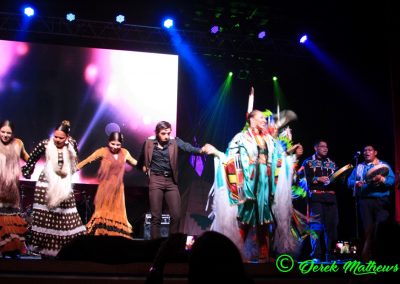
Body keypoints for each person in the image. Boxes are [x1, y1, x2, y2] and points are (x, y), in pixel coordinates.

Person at [207, 110, 303, 261]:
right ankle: (235, 254)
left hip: (265, 186)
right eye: (261, 118)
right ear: (251, 120)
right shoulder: (241, 138)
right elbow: (230, 158)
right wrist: (217, 153)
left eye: (265, 119)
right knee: (245, 220)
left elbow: (279, 160)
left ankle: (264, 254)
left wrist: (292, 155)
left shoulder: (270, 140)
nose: (265, 121)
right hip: (249, 185)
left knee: (263, 220)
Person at [22, 120, 86, 257]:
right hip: (46, 184)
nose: (57, 140)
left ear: (67, 137)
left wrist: (70, 147)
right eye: (55, 136)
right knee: (46, 217)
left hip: (63, 184)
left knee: (66, 216)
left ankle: (64, 250)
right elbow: (32, 158)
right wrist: (27, 171)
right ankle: (45, 251)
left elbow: (75, 158)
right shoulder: (45, 144)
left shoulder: (72, 144)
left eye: (61, 138)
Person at [137, 121, 211, 239]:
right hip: (156, 180)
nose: (166, 136)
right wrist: (144, 168)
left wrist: (200, 150)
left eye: (168, 133)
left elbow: (187, 147)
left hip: (171, 181)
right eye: (163, 133)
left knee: (176, 215)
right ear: (157, 133)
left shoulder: (174, 142)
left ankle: (171, 244)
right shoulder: (148, 143)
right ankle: (155, 246)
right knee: (156, 216)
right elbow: (141, 160)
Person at [76, 131, 137, 239]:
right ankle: (101, 236)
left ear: (121, 144)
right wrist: (75, 168)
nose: (115, 147)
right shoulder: (102, 151)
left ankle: (115, 239)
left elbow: (135, 162)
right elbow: (88, 160)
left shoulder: (125, 152)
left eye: (118, 144)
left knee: (118, 213)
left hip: (118, 189)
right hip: (105, 188)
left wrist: (148, 167)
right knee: (102, 212)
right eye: (112, 144)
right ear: (108, 142)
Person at [301, 139, 338, 262]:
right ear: (315, 148)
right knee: (316, 227)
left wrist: (335, 179)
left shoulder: (332, 162)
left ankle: (331, 256)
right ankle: (316, 256)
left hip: (330, 197)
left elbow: (338, 178)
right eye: (322, 146)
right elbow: (301, 179)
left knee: (331, 228)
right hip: (316, 197)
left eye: (326, 146)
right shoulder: (308, 162)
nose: (325, 148)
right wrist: (316, 179)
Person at [347, 144, 395, 237]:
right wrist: (356, 183)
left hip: (381, 201)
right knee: (367, 229)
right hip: (364, 201)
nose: (367, 152)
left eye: (370, 150)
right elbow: (349, 182)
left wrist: (382, 179)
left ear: (375, 152)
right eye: (365, 150)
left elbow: (392, 181)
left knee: (380, 228)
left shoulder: (383, 165)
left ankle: (379, 250)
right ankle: (368, 250)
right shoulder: (359, 167)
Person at [0, 120, 30, 257]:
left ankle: (11, 249)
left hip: (11, 190)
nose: (5, 135)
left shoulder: (18, 143)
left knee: (11, 220)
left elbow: (27, 157)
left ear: (13, 133)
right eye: (2, 132)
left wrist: (31, 165)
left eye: (8, 133)